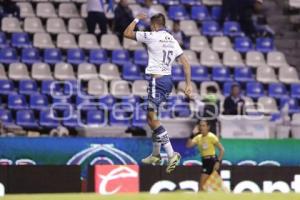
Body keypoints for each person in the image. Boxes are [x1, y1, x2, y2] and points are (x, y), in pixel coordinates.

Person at [123, 13, 192, 173]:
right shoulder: (172, 39)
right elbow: (186, 64)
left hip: (157, 82)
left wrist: (136, 19)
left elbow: (127, 33)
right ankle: (155, 154)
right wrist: (188, 85)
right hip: (168, 82)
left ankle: (170, 154)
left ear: (154, 26)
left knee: (152, 118)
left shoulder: (152, 36)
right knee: (152, 118)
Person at [186, 120, 225, 191]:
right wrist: (193, 133)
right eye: (200, 126)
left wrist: (218, 162)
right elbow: (188, 145)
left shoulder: (211, 136)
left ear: (208, 127)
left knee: (202, 185)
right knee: (208, 186)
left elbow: (222, 150)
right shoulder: (198, 137)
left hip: (212, 161)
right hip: (205, 161)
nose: (201, 127)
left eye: (204, 125)